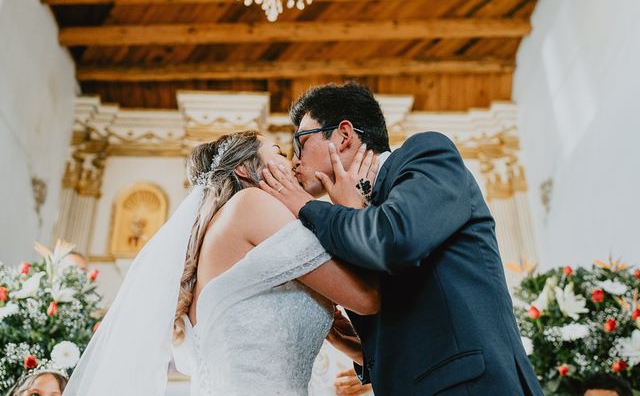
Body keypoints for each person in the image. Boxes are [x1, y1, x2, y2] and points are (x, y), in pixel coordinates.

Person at [260, 82, 543, 395]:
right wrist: (359, 350)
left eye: (301, 142)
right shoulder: (349, 222)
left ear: (343, 135)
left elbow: (396, 241)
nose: (294, 160)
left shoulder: (427, 154)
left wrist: (304, 205)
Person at [64, 130, 379, 395]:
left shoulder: (219, 241)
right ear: (244, 169)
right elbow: (367, 297)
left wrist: (340, 334)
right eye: (280, 153)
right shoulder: (250, 205)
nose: (293, 161)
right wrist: (352, 209)